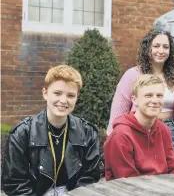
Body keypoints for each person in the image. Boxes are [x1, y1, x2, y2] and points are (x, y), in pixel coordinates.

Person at [106, 29, 174, 171]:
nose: (161, 51)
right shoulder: (132, 75)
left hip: (172, 133)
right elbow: (119, 110)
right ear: (147, 48)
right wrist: (115, 138)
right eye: (156, 46)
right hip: (139, 133)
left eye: (165, 47)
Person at [2, 65, 101, 196]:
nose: (63, 100)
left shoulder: (88, 133)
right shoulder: (22, 133)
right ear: (45, 93)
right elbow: (14, 183)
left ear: (77, 97)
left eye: (71, 95)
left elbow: (90, 178)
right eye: (57, 93)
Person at [104, 74, 174, 180]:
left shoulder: (163, 130)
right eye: (148, 95)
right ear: (134, 99)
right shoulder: (120, 136)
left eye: (159, 95)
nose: (155, 101)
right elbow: (127, 182)